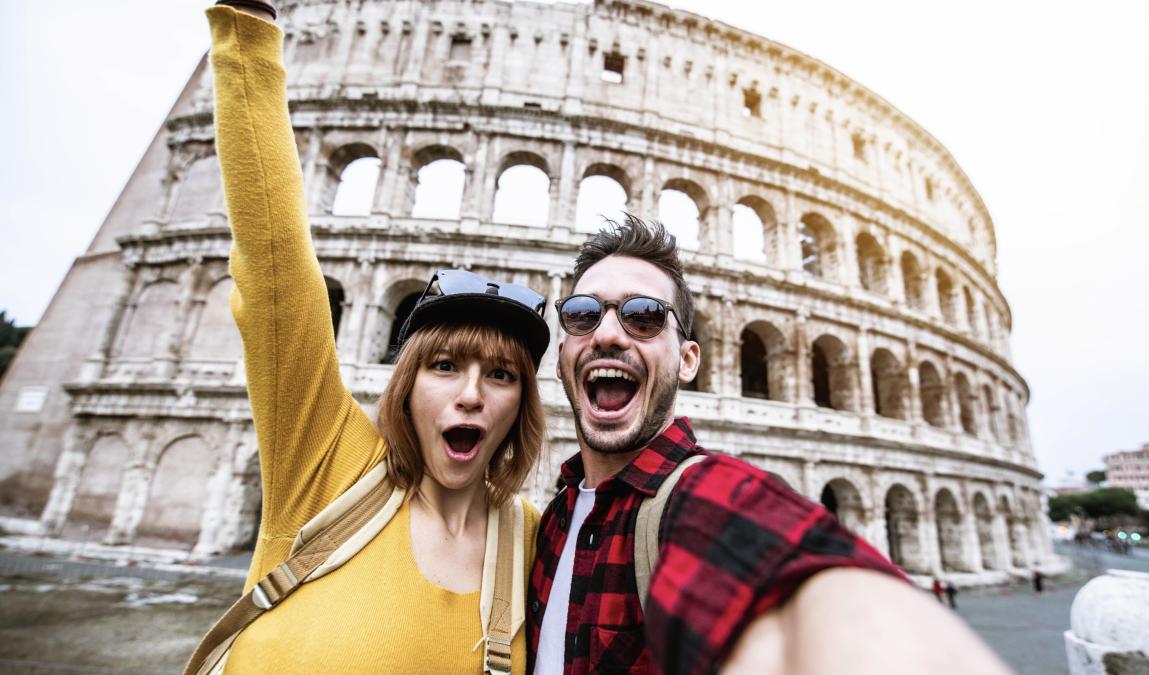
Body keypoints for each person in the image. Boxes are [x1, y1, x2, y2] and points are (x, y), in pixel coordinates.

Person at [195, 2, 546, 671]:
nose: (472, 393)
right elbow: (275, 266)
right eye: (445, 364)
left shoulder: (527, 538)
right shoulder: (325, 463)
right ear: (407, 380)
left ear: (521, 405)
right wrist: (247, 32)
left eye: (501, 375)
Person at [528, 215, 1011, 674]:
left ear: (689, 360)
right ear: (563, 350)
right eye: (584, 314)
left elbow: (835, 603)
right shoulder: (552, 521)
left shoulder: (707, 499)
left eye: (645, 316)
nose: (608, 333)